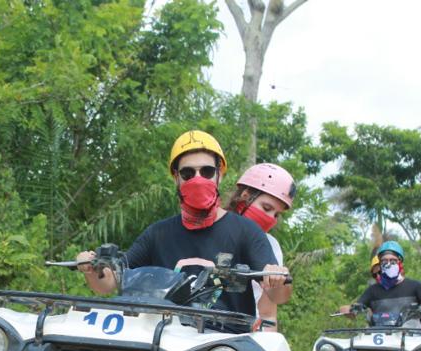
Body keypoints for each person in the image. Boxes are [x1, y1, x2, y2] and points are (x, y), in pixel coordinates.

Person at [77, 130, 289, 319]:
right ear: (176, 178)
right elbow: (108, 284)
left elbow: (279, 297)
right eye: (188, 173)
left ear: (219, 175)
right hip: (164, 343)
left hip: (223, 350)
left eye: (206, 172)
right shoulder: (157, 234)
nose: (198, 179)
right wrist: (90, 269)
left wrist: (277, 279)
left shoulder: (247, 232)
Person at [225, 162, 295, 323]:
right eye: (266, 208)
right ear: (245, 196)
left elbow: (268, 312)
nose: (270, 218)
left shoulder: (270, 245)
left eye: (276, 214)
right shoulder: (212, 231)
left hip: (246, 333)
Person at [338, 241, 421, 329]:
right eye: (384, 261)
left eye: (393, 261)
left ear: (400, 263)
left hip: (411, 339)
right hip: (380, 340)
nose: (389, 264)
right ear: (380, 265)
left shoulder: (415, 286)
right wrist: (347, 309)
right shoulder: (372, 290)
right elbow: (356, 308)